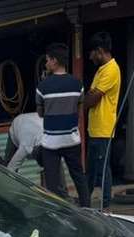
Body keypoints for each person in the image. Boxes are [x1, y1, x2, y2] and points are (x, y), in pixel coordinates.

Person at [35, 42, 88, 206]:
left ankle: (58, 212)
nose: (46, 63)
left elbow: (40, 113)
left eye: (47, 60)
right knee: (79, 176)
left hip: (51, 143)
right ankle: (88, 209)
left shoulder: (42, 86)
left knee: (52, 184)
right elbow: (79, 109)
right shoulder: (77, 84)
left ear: (55, 61)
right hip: (72, 140)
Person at [84, 32, 121, 211]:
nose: (90, 57)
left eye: (91, 53)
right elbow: (90, 96)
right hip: (95, 127)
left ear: (99, 51)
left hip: (104, 128)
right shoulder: (101, 70)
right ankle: (85, 200)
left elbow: (91, 99)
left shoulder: (111, 70)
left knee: (102, 168)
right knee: (92, 168)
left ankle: (105, 205)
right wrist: (90, 96)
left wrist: (89, 97)